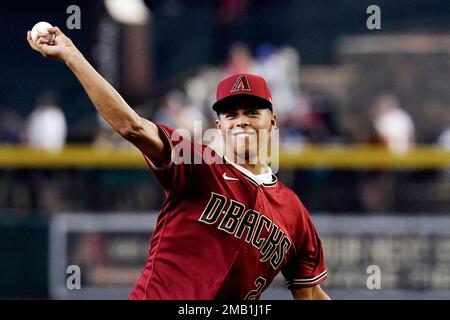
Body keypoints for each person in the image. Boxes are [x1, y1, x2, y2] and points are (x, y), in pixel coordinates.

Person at [27, 26, 329, 300]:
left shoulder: (294, 214)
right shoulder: (196, 164)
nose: (241, 122)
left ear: (272, 122)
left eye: (252, 112)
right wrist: (71, 54)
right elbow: (131, 126)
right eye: (231, 114)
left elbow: (311, 294)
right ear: (219, 124)